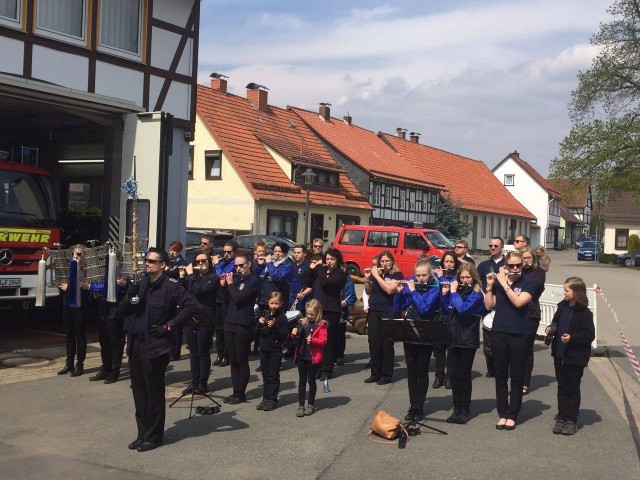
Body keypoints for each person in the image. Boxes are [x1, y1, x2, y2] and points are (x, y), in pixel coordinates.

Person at [117, 248, 197, 452]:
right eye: (146, 260)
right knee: (139, 392)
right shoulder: (142, 284)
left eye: (152, 261)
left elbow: (191, 306)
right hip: (136, 343)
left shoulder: (171, 286)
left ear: (163, 265)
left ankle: (154, 437)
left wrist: (169, 325)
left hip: (156, 346)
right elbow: (124, 311)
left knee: (153, 392)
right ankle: (142, 433)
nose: (147, 263)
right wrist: (129, 295)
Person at [484, 251, 535, 431]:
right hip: (499, 331)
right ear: (505, 266)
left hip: (520, 333)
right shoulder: (499, 283)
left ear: (522, 266)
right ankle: (502, 412)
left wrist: (505, 284)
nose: (515, 269)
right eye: (511, 266)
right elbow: (490, 305)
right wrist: (490, 287)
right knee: (500, 375)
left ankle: (513, 413)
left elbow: (519, 302)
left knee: (517, 375)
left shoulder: (528, 282)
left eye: (518, 265)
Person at [393, 259, 441, 422]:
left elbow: (424, 308)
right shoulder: (411, 286)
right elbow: (397, 308)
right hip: (410, 333)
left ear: (430, 275)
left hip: (426, 333)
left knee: (421, 371)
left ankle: (419, 407)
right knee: (411, 372)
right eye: (418, 275)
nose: (420, 278)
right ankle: (412, 405)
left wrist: (412, 291)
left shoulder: (435, 289)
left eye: (424, 275)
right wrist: (399, 293)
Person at [546, 277, 595, 436]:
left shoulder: (584, 312)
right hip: (560, 354)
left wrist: (572, 338)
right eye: (564, 290)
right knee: (562, 387)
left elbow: (589, 335)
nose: (564, 293)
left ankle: (571, 419)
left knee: (572, 388)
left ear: (576, 292)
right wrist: (550, 329)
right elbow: (555, 323)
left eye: (567, 290)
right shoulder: (562, 308)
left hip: (575, 356)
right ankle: (562, 416)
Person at [440, 263, 485, 424]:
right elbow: (447, 310)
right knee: (454, 374)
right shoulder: (457, 292)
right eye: (462, 277)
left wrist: (453, 292)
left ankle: (464, 409)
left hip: (467, 338)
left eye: (468, 277)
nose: (465, 280)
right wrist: (445, 295)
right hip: (453, 337)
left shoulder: (477, 294)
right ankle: (456, 408)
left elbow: (464, 309)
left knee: (464, 375)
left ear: (473, 278)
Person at [221, 252, 261, 404]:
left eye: (241, 265)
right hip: (230, 321)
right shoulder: (235, 280)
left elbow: (238, 298)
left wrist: (230, 284)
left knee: (241, 358)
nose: (238, 269)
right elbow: (226, 299)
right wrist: (223, 286)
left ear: (249, 264)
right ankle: (235, 391)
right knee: (233, 359)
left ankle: (241, 393)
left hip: (243, 323)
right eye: (236, 266)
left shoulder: (253, 281)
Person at [179, 252, 218, 394]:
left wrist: (189, 276)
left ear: (209, 263)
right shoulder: (193, 277)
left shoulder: (213, 278)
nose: (200, 263)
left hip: (205, 318)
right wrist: (183, 277)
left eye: (204, 261)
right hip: (190, 317)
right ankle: (194, 381)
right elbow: (182, 292)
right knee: (193, 353)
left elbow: (199, 290)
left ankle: (202, 383)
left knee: (202, 352)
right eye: (197, 261)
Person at [363, 250, 403, 385]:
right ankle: (375, 373)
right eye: (382, 261)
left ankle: (387, 375)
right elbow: (368, 291)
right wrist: (368, 279)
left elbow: (390, 289)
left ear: (392, 262)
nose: (384, 264)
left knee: (386, 343)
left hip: (389, 311)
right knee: (374, 342)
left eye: (387, 261)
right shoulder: (377, 274)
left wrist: (377, 276)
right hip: (374, 310)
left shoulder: (397, 274)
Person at [307, 248, 347, 380]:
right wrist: (311, 269)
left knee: (328, 342)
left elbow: (327, 283)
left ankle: (327, 370)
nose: (329, 262)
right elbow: (308, 282)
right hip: (319, 310)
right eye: (327, 259)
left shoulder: (340, 274)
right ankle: (317, 367)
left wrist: (318, 269)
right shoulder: (322, 271)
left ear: (337, 261)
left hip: (331, 311)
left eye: (332, 259)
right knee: (317, 340)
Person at [89, 253, 127, 384]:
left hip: (115, 312)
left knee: (115, 343)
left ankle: (114, 371)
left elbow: (113, 287)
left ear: (119, 261)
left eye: (113, 261)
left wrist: (91, 287)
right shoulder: (103, 273)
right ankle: (106, 368)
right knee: (104, 343)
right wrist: (94, 291)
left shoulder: (122, 272)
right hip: (103, 310)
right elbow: (97, 285)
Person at [57, 244, 91, 377]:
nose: (76, 257)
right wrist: (62, 286)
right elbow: (60, 283)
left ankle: (80, 364)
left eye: (79, 254)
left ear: (85, 256)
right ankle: (69, 363)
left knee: (80, 335)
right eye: (74, 254)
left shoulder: (88, 270)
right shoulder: (68, 268)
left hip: (81, 305)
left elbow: (86, 286)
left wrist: (71, 287)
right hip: (68, 305)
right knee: (69, 335)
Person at [291, 299, 328, 417]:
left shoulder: (322, 325)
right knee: (302, 381)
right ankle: (301, 404)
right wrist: (293, 333)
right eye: (308, 313)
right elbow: (295, 338)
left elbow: (323, 341)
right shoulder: (302, 322)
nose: (309, 316)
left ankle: (311, 404)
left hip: (312, 357)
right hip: (302, 355)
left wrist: (313, 341)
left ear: (318, 313)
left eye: (312, 314)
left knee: (311, 380)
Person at [476, 237, 506, 378]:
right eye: (491, 245)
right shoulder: (483, 265)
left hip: (503, 304)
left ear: (502, 247)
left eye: (496, 245)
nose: (492, 248)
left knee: (501, 336)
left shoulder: (507, 264)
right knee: (488, 336)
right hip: (487, 304)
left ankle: (502, 365)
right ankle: (491, 367)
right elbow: (476, 282)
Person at [255, 292, 289, 411]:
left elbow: (284, 335)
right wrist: (259, 324)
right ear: (268, 303)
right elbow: (257, 332)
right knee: (265, 376)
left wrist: (274, 326)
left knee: (273, 375)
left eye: (276, 303)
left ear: (281, 303)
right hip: (264, 348)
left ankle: (272, 399)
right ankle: (265, 398)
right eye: (272, 303)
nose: (274, 306)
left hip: (275, 350)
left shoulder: (282, 317)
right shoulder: (264, 313)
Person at [432, 251, 460, 389]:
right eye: (446, 261)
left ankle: (450, 376)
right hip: (438, 314)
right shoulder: (437, 275)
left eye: (451, 262)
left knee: (451, 347)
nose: (448, 264)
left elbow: (450, 289)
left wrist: (442, 278)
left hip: (452, 314)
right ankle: (439, 375)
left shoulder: (457, 276)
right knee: (439, 348)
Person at [521, 247, 546, 395]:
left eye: (529, 258)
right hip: (516, 314)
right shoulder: (517, 272)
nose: (526, 260)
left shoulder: (539, 273)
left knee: (527, 348)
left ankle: (525, 382)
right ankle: (516, 379)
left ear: (534, 259)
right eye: (523, 258)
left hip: (531, 314)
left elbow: (534, 289)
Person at [212, 241, 238, 367]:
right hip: (218, 298)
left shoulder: (234, 264)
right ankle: (219, 353)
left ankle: (227, 356)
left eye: (229, 252)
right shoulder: (222, 262)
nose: (226, 254)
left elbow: (220, 275)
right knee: (218, 329)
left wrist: (216, 265)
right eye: (225, 252)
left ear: (234, 252)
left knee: (225, 328)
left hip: (227, 299)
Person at [166, 240, 188, 361]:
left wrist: (168, 271)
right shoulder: (169, 262)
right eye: (170, 250)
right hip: (169, 297)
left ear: (179, 251)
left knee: (176, 327)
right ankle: (169, 350)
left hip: (177, 297)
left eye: (174, 250)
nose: (171, 252)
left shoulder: (182, 263)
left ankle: (175, 352)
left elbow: (178, 278)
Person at [336, 272, 356, 366]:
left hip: (341, 311)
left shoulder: (348, 281)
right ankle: (331, 354)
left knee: (340, 334)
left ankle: (340, 355)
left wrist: (346, 302)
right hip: (330, 309)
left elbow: (352, 297)